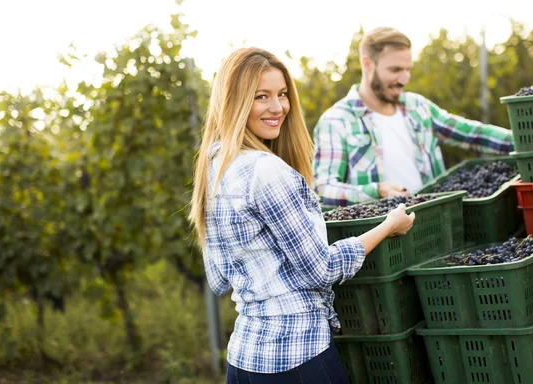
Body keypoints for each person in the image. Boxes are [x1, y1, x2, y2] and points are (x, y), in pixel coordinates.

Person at [188, 47, 416, 383]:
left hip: (243, 362)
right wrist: (387, 227)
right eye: (260, 96)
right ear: (234, 103)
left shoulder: (215, 165)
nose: (278, 107)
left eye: (281, 94)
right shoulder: (268, 172)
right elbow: (321, 270)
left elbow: (220, 279)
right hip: (298, 357)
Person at [312, 26, 515, 208]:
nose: (404, 79)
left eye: (408, 69)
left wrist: (525, 140)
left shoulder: (418, 107)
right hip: (387, 239)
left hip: (434, 223)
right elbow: (324, 189)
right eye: (395, 70)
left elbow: (473, 134)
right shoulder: (336, 121)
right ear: (367, 64)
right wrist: (377, 191)